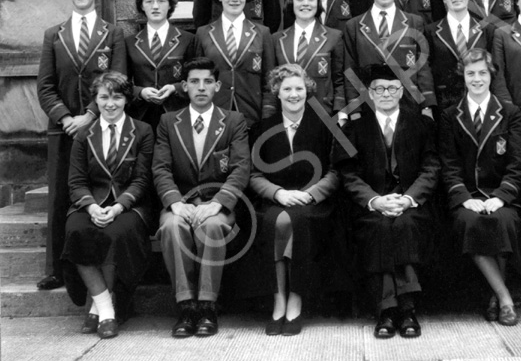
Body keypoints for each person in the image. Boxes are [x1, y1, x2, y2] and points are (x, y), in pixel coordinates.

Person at [333, 64, 440, 339]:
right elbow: (349, 173)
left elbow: (431, 168)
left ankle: (399, 309)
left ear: (402, 90)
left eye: (392, 88)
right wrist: (375, 200)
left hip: (409, 203)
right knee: (380, 227)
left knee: (403, 225)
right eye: (379, 88)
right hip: (373, 206)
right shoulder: (356, 128)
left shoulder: (420, 124)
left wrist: (408, 199)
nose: (386, 93)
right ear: (369, 92)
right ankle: (395, 309)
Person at [36, 0, 126, 291]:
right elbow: (45, 86)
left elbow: (117, 79)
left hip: (100, 126)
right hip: (63, 131)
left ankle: (100, 264)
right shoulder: (54, 35)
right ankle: (56, 269)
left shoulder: (112, 33)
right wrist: (65, 118)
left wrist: (89, 115)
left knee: (99, 191)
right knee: (60, 196)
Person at [152, 57, 251, 338]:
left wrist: (218, 203)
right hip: (180, 200)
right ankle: (185, 306)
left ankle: (207, 305)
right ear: (184, 86)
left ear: (218, 86)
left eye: (208, 81)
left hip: (216, 202)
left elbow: (241, 167)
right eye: (194, 81)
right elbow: (160, 167)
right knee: (172, 226)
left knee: (212, 226)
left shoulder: (233, 120)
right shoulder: (169, 122)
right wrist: (175, 203)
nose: (201, 87)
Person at [249, 64, 339, 336]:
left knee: (295, 221)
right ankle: (279, 298)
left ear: (307, 91)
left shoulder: (325, 126)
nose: (293, 94)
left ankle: (296, 298)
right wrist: (278, 193)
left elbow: (337, 171)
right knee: (275, 221)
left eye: (299, 88)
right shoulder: (262, 128)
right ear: (276, 92)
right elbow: (253, 174)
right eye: (287, 88)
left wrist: (311, 193)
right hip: (276, 198)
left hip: (313, 201)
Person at [62, 71, 153, 339]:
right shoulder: (83, 134)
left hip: (129, 205)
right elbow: (76, 181)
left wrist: (117, 208)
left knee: (113, 234)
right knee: (76, 231)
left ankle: (101, 310)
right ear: (96, 100)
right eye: (104, 97)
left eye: (117, 97)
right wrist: (91, 207)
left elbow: (141, 180)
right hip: (90, 203)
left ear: (126, 99)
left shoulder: (143, 131)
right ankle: (105, 307)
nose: (110, 104)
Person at [439, 49, 521, 326]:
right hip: (468, 197)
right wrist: (464, 198)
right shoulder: (451, 115)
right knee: (472, 221)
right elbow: (449, 165)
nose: (477, 79)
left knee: (500, 220)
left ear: (491, 75)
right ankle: (505, 298)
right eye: (470, 73)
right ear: (463, 77)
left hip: (501, 196)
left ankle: (494, 297)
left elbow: (517, 164)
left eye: (482, 73)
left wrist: (501, 197)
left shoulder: (510, 113)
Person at [343, 0, 436, 121]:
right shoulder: (354, 26)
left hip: (408, 106)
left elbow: (423, 68)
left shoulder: (414, 22)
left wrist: (426, 105)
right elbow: (351, 71)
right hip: (368, 110)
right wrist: (355, 110)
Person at [194, 0, 276, 138]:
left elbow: (270, 82)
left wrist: (267, 117)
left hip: (252, 118)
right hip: (213, 116)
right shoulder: (203, 34)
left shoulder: (262, 33)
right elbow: (195, 79)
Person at [126, 0, 196, 133]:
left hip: (178, 115)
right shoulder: (129, 43)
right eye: (149, 1)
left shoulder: (187, 40)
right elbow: (121, 83)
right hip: (141, 118)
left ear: (170, 4)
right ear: (142, 6)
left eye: (161, 1)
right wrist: (140, 92)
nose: (155, 6)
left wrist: (174, 88)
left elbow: (195, 79)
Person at [425, 0, 494, 112]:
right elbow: (426, 70)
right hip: (444, 105)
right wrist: (429, 104)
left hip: (480, 102)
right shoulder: (430, 31)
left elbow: (495, 69)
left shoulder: (486, 29)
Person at [274, 0, 345, 115]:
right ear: (291, 2)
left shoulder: (334, 37)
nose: (305, 3)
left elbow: (339, 81)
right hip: (286, 116)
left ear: (318, 3)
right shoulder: (277, 40)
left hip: (323, 116)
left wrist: (340, 113)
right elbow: (271, 84)